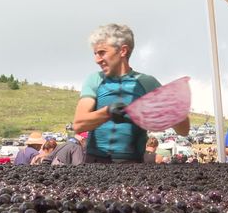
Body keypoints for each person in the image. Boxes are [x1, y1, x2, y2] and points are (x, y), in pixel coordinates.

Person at [72, 23, 189, 163]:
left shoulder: (146, 82)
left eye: (102, 52)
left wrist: (173, 107)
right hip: (95, 162)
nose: (97, 59)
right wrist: (108, 112)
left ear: (123, 51)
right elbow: (79, 124)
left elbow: (184, 130)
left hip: (133, 165)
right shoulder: (94, 80)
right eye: (95, 53)